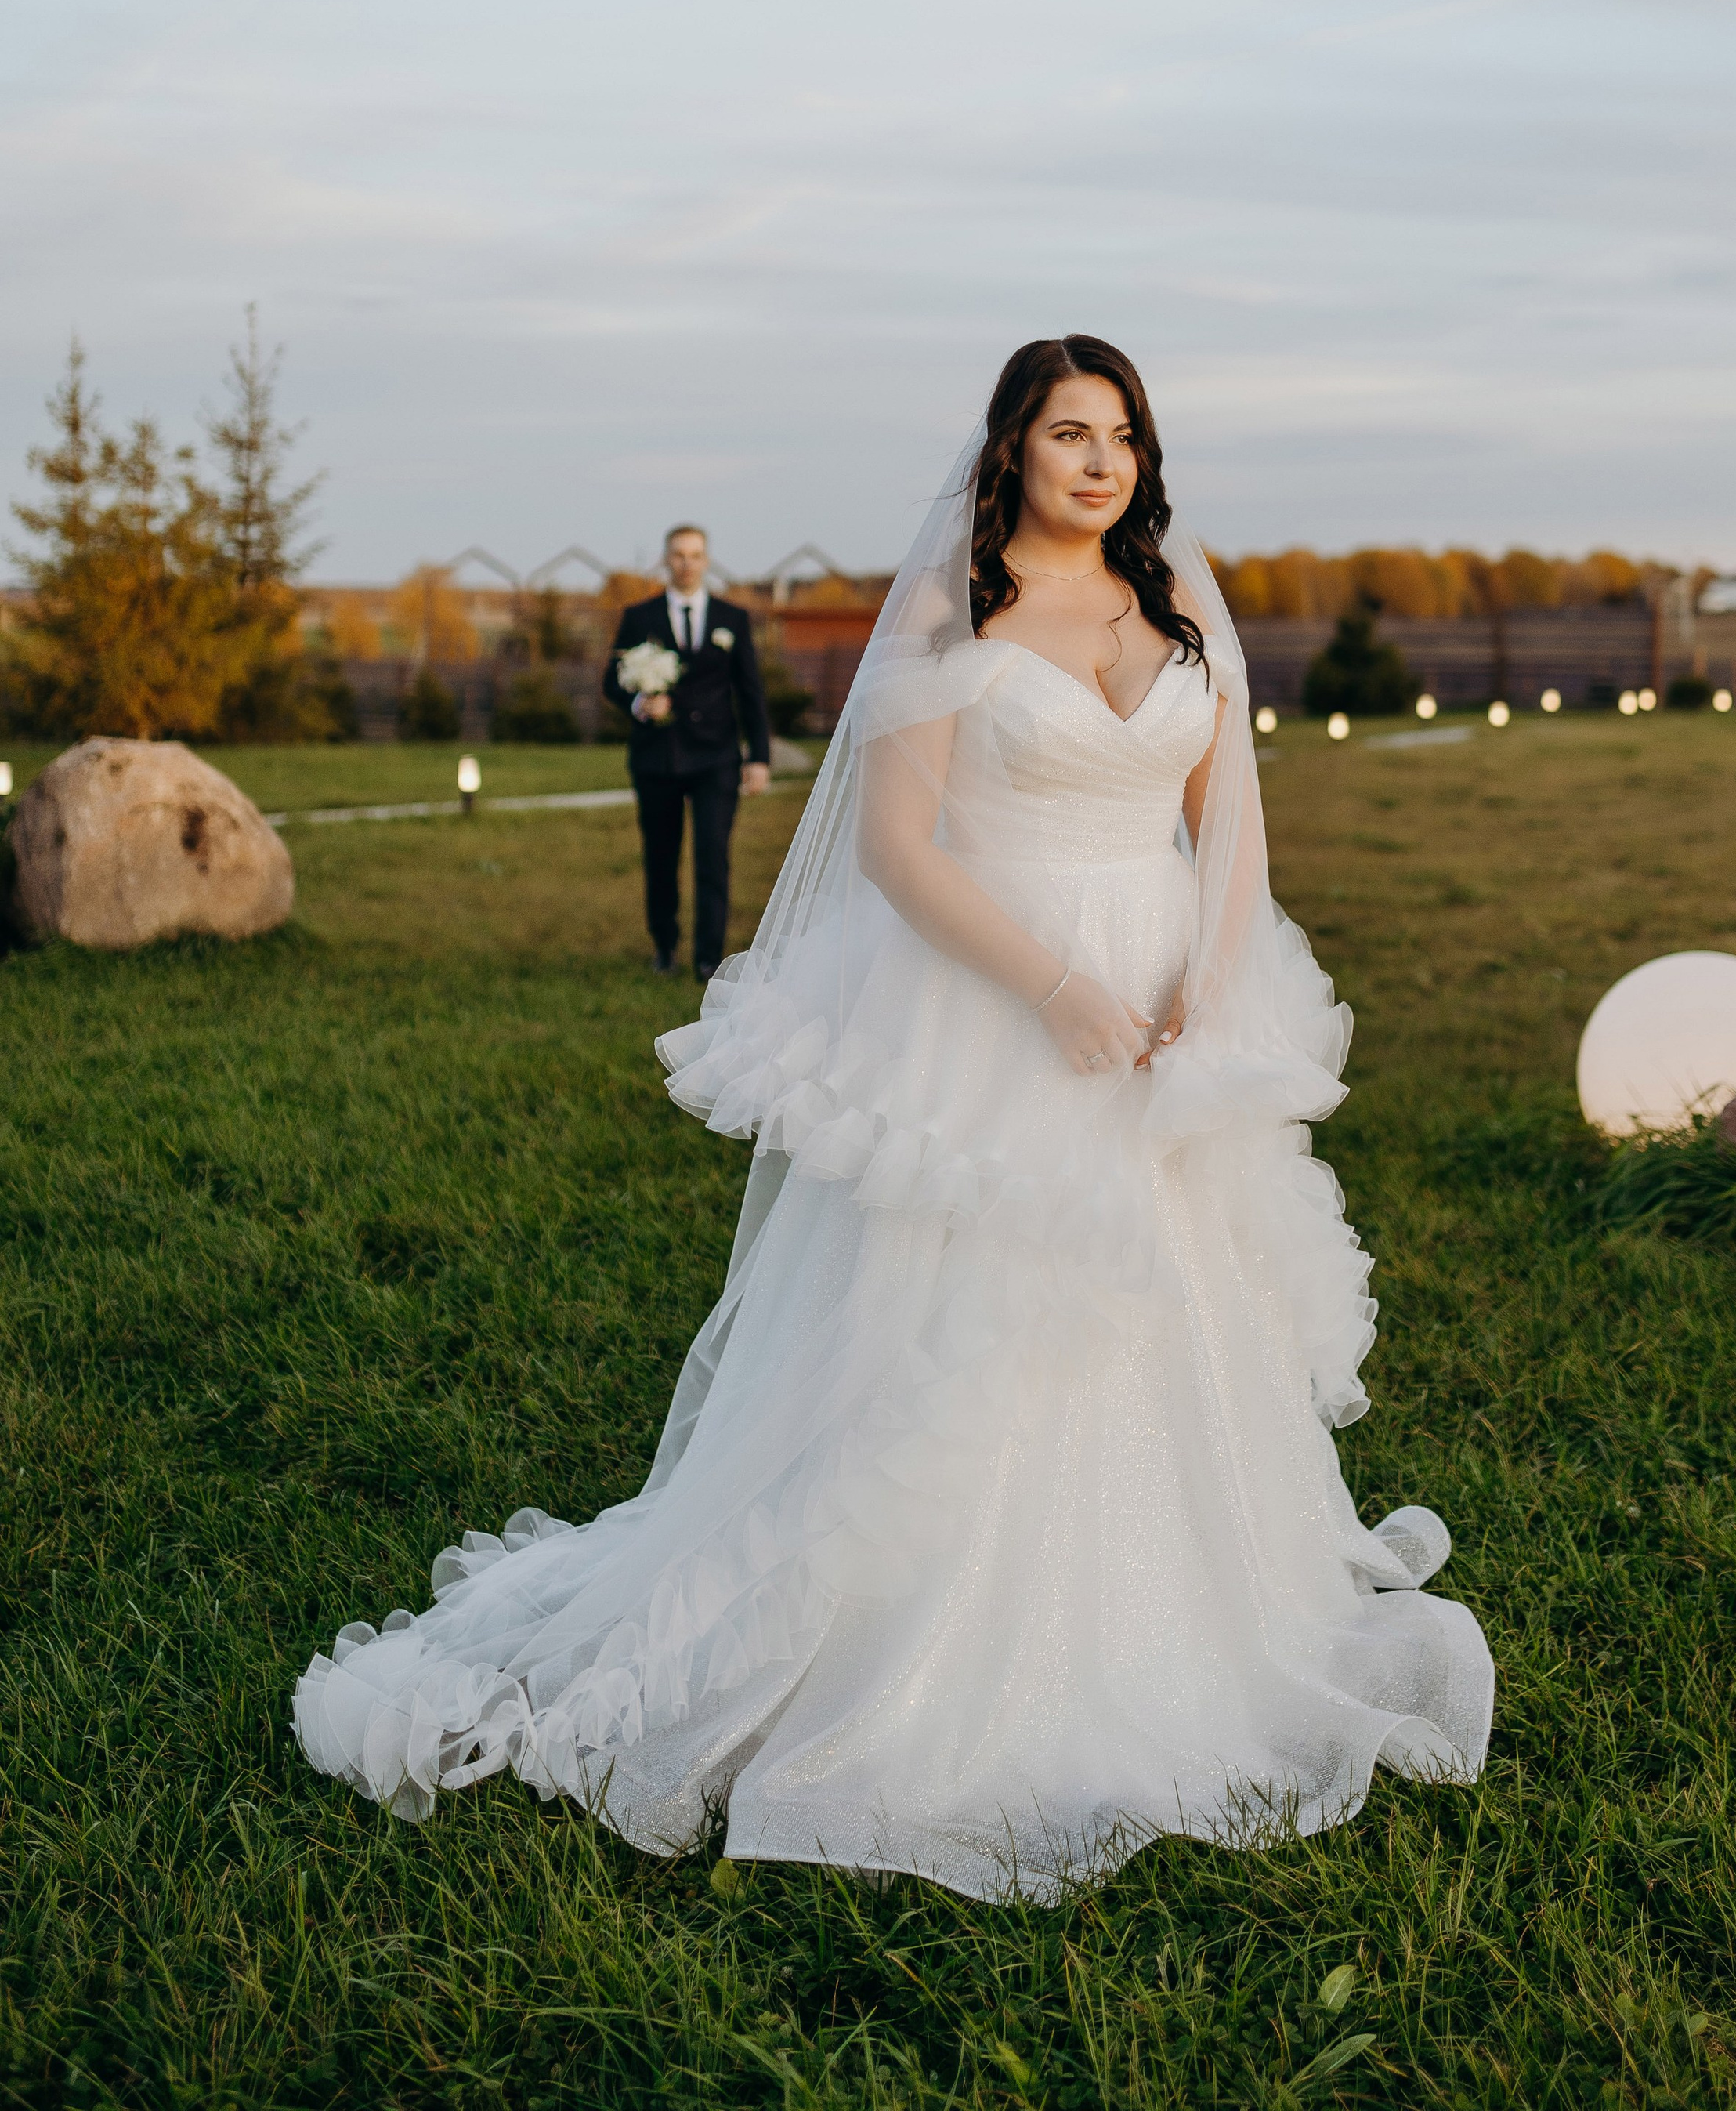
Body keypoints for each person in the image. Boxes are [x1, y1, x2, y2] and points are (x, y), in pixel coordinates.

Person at [295, 336, 1492, 1899]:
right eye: (1068, 433)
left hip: (1162, 1008)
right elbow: (899, 853)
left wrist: (1213, 974)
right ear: (1012, 448)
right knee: (973, 1314)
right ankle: (918, 1650)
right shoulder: (952, 607)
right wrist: (1057, 987)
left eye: (1119, 436)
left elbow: (1231, 829)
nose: (1097, 462)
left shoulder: (1178, 610)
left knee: (1172, 1297)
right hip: (994, 1002)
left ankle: (1181, 1611)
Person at [602, 523, 770, 978]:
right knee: (661, 856)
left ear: (706, 561)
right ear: (666, 560)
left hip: (716, 757)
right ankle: (665, 947)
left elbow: (750, 692)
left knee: (713, 857)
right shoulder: (640, 616)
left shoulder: (732, 619)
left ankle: (708, 958)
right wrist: (639, 703)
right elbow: (610, 682)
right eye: (678, 554)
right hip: (657, 758)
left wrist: (758, 757)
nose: (687, 563)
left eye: (695, 555)